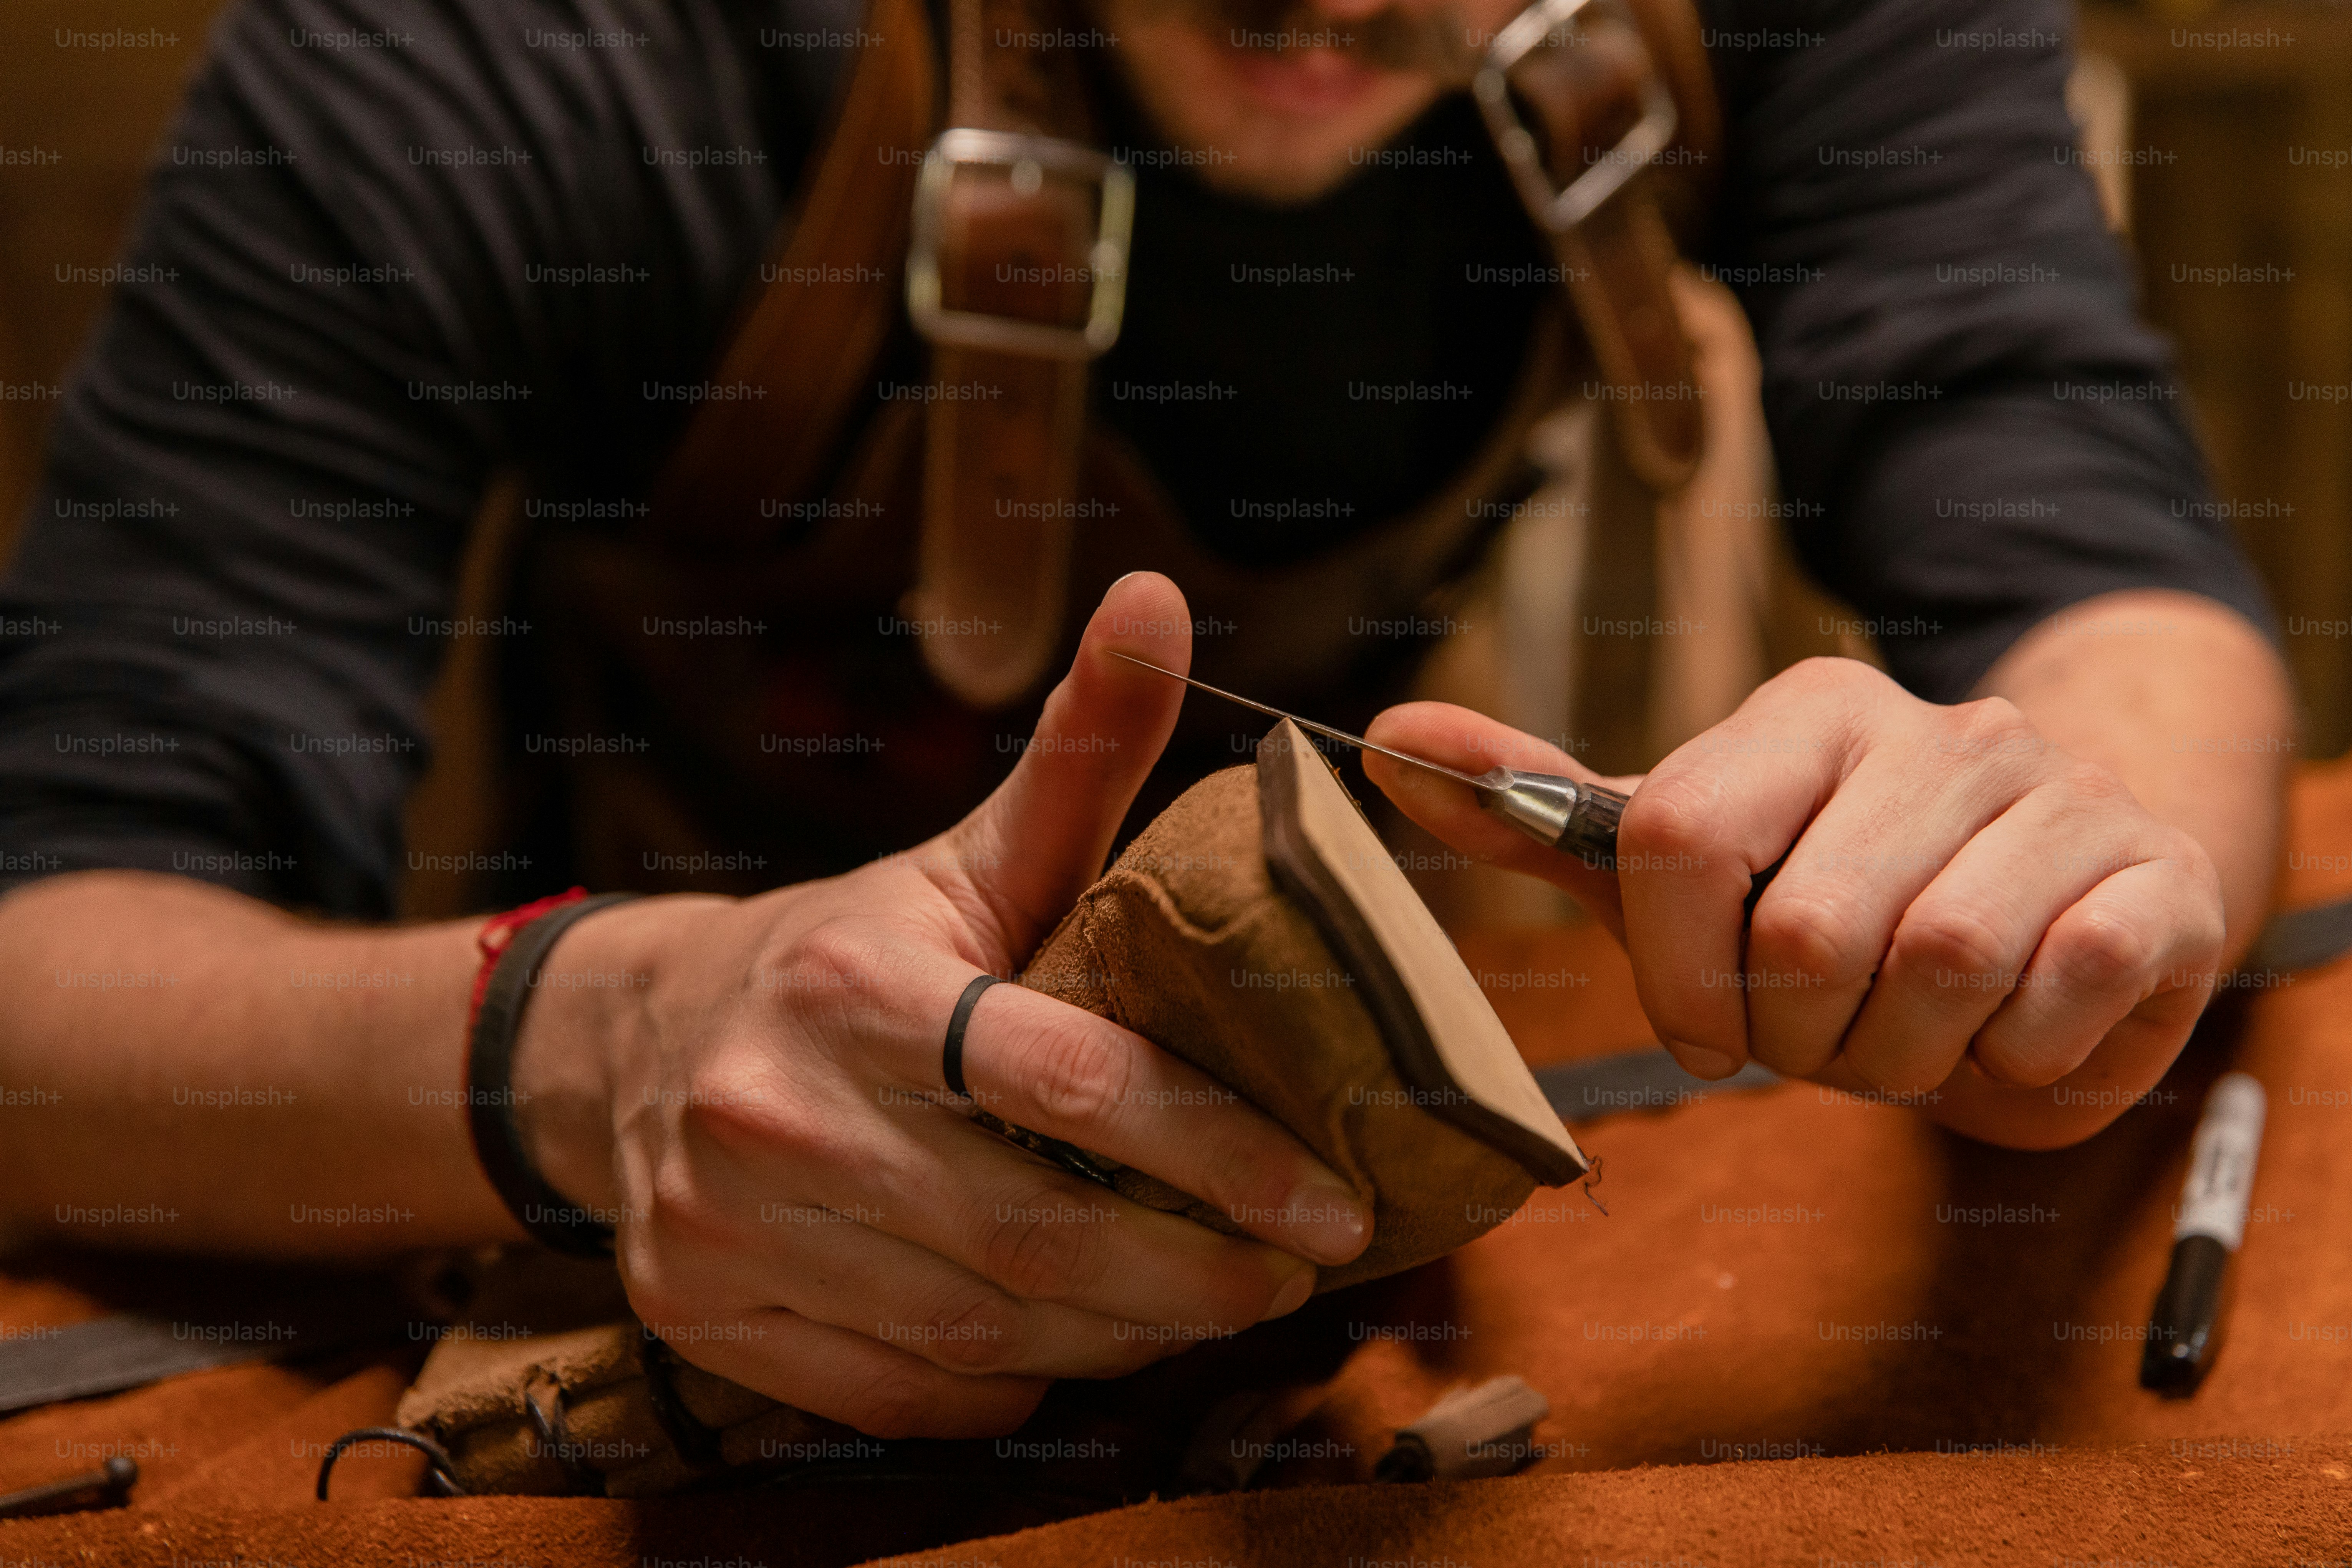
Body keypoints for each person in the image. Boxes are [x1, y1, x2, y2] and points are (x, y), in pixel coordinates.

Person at [0, 0, 2291, 1443]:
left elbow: (2106, 563)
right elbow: (46, 961)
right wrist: (614, 1041)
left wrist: (2081, 836)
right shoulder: (491, 56)